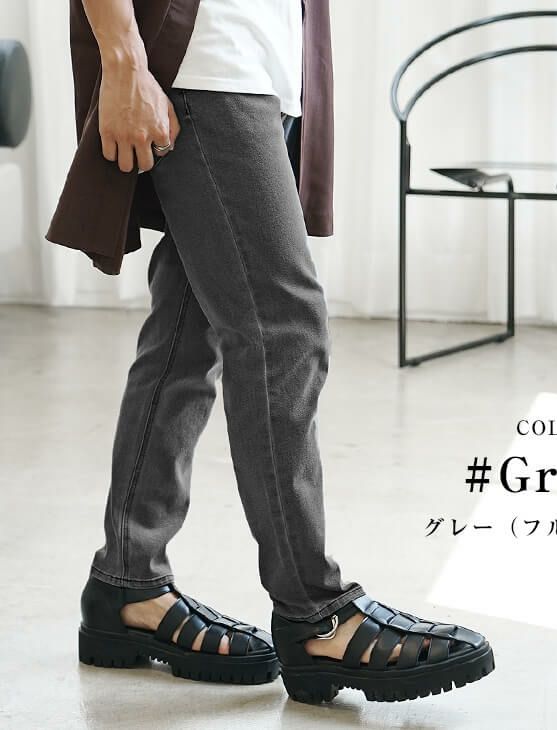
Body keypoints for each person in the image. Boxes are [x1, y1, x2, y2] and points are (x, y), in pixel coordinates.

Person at [52, 0, 495, 704]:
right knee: (283, 330)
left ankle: (128, 584)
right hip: (206, 60)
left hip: (260, 62)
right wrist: (123, 57)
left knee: (187, 333)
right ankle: (315, 613)